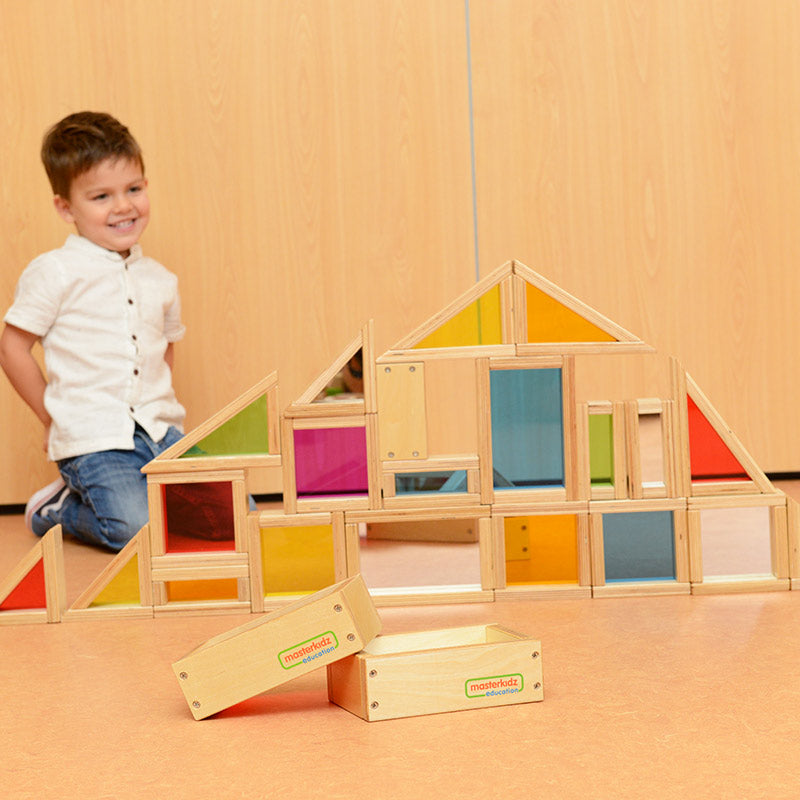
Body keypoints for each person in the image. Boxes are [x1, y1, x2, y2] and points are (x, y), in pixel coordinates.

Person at [0, 111, 186, 551]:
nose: (124, 206)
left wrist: (160, 405)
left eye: (134, 190)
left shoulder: (160, 278)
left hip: (161, 431)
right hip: (94, 437)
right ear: (66, 207)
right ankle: (60, 509)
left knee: (238, 513)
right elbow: (12, 347)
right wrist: (52, 417)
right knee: (136, 530)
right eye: (102, 196)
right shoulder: (55, 272)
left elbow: (164, 350)